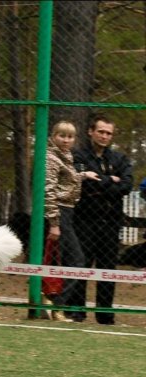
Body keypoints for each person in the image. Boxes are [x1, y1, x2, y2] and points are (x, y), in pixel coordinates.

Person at [71, 115, 133, 324]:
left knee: (108, 267)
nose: (105, 136)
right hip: (84, 220)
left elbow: (126, 186)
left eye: (109, 133)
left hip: (111, 222)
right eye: (101, 131)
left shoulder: (120, 159)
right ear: (91, 131)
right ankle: (77, 311)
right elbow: (83, 184)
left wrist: (99, 180)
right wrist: (110, 180)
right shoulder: (78, 155)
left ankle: (105, 314)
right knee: (82, 264)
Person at [43, 121, 100, 322]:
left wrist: (83, 175)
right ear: (53, 136)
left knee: (66, 260)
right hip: (59, 213)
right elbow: (48, 191)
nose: (66, 140)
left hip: (67, 212)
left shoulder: (65, 156)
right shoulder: (50, 157)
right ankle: (56, 304)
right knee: (77, 260)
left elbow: (65, 181)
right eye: (62, 136)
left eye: (70, 137)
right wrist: (55, 223)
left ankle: (51, 301)